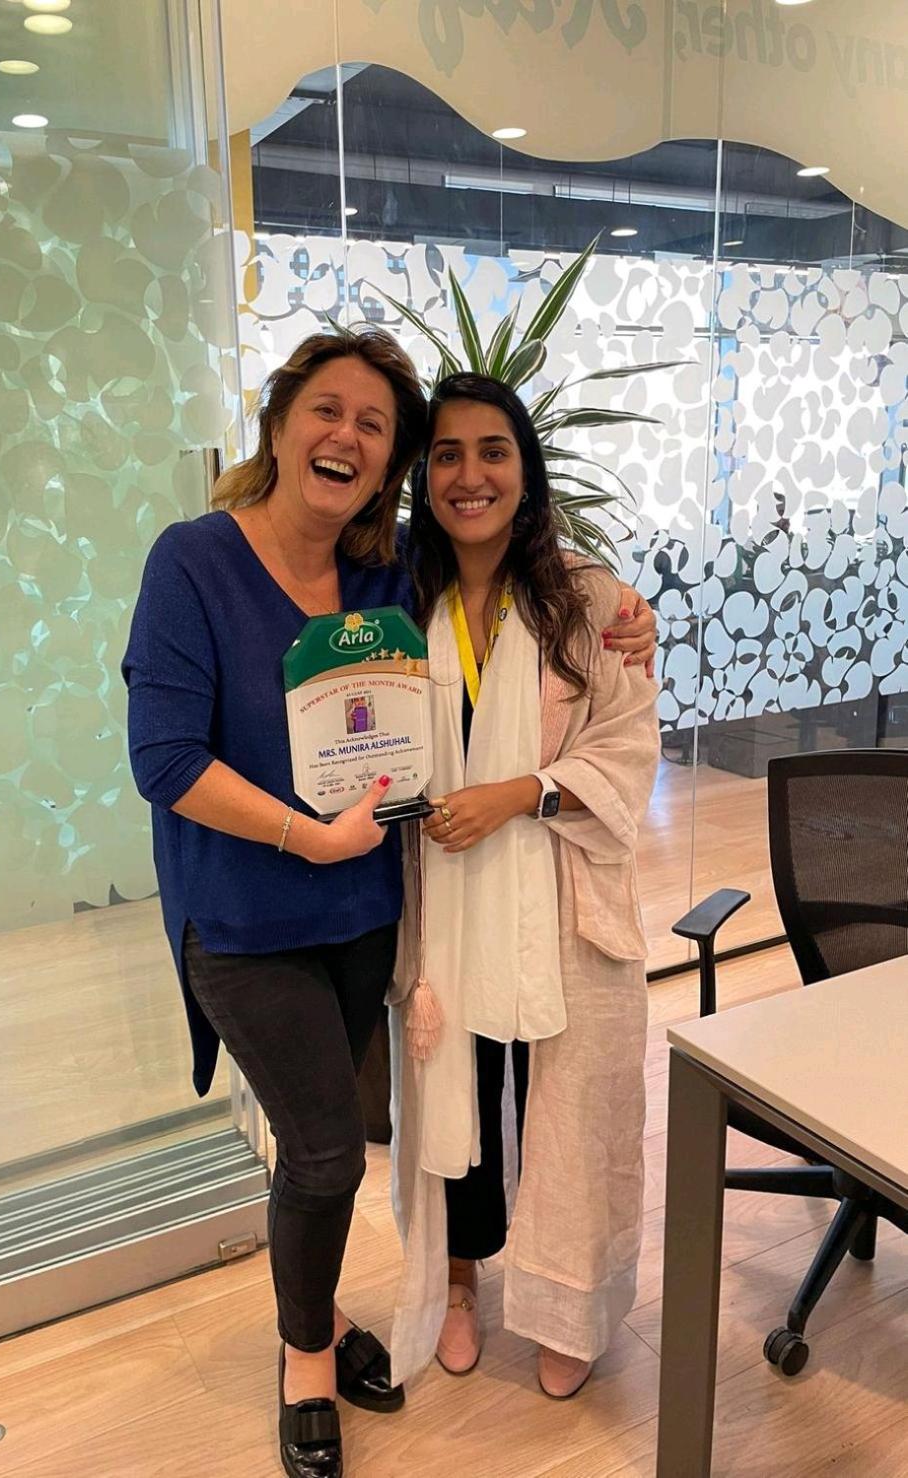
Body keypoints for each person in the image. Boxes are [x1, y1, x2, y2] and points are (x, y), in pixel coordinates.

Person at [123, 330, 656, 1478]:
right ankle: (311, 1354)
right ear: (279, 421)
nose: (347, 436)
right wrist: (304, 832)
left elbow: (519, 561)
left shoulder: (386, 575)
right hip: (255, 917)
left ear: (387, 466)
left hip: (373, 913)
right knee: (328, 1151)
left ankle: (424, 1303)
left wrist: (631, 608)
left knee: (430, 1122)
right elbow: (162, 756)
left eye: (374, 425)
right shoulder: (197, 561)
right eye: (328, 410)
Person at [388, 373, 661, 1406]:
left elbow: (627, 744)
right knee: (452, 1091)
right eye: (447, 454)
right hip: (443, 898)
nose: (470, 475)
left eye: (492, 451)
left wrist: (518, 793)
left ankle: (567, 1302)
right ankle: (459, 1283)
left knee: (566, 1109)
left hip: (557, 896)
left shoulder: (587, 599)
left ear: (526, 470)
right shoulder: (395, 598)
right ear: (424, 476)